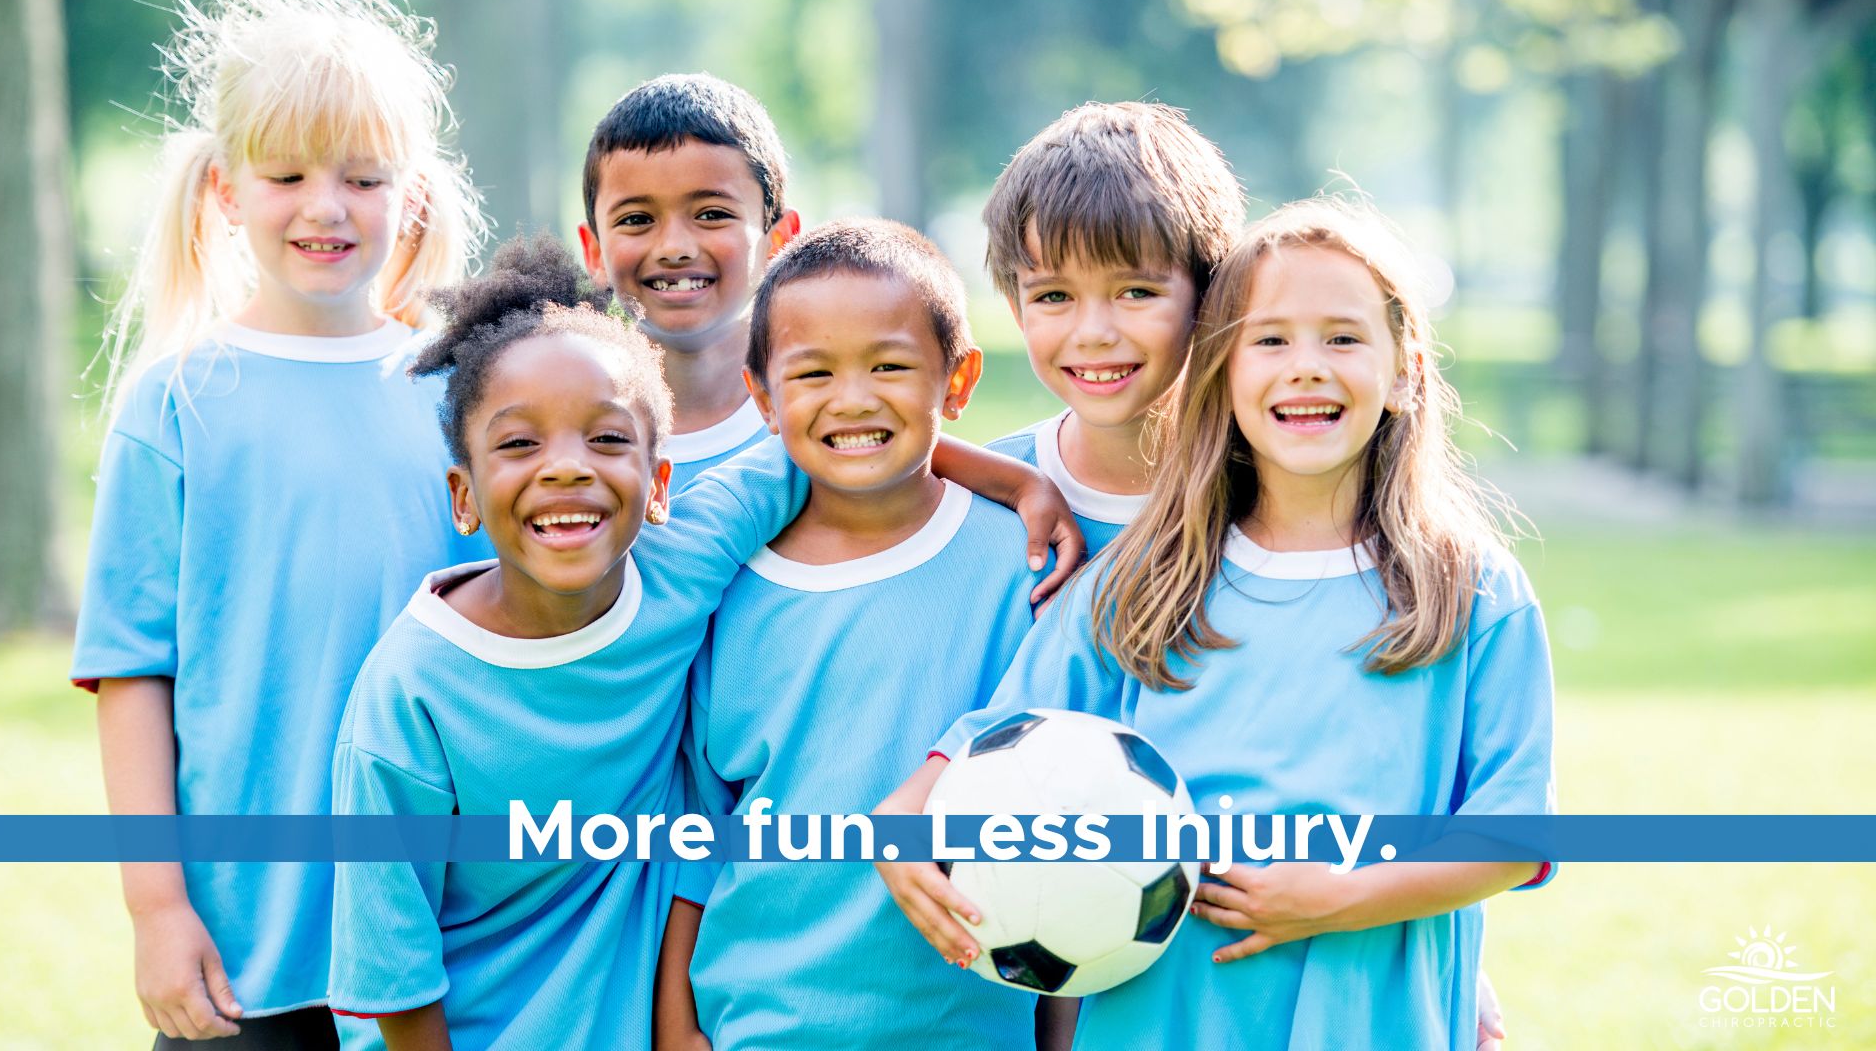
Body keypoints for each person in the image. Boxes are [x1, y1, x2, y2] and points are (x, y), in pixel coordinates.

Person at [328, 235, 1082, 1051]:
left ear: (660, 486)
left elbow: (842, 432)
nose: (568, 469)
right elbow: (389, 969)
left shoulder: (687, 563)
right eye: (519, 444)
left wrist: (1017, 480)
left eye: (609, 440)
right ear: (463, 497)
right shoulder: (409, 693)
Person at [877, 198, 1556, 1050]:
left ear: (1407, 370)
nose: (1305, 367)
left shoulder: (1471, 591)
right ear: (1221, 370)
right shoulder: (1144, 581)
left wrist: (1338, 898)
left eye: (1342, 338)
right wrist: (906, 818)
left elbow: (1515, 834)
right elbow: (999, 735)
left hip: (1372, 1020)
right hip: (1166, 1021)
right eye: (1269, 340)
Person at [68, 0, 486, 1045]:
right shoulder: (176, 404)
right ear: (225, 188)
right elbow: (132, 678)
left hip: (441, 935)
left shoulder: (465, 397)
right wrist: (156, 911)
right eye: (288, 173)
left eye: (363, 176)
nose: (325, 206)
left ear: (415, 195)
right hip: (246, 952)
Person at [655, 220, 1045, 1050]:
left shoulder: (1023, 563)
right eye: (814, 373)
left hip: (968, 1029)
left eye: (891, 366)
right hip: (759, 1027)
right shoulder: (723, 593)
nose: (854, 398)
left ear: (959, 378)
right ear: (762, 396)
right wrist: (677, 1026)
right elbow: (697, 828)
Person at [980, 102, 1244, 550]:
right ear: (1017, 311)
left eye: (1136, 292)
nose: (1093, 333)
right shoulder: (984, 497)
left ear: (1209, 295)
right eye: (1054, 296)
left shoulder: (1269, 485)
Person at [576, 74, 802, 490]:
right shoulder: (564, 433)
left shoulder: (817, 415)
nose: (674, 248)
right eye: (636, 220)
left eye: (712, 214)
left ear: (780, 239)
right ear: (595, 253)